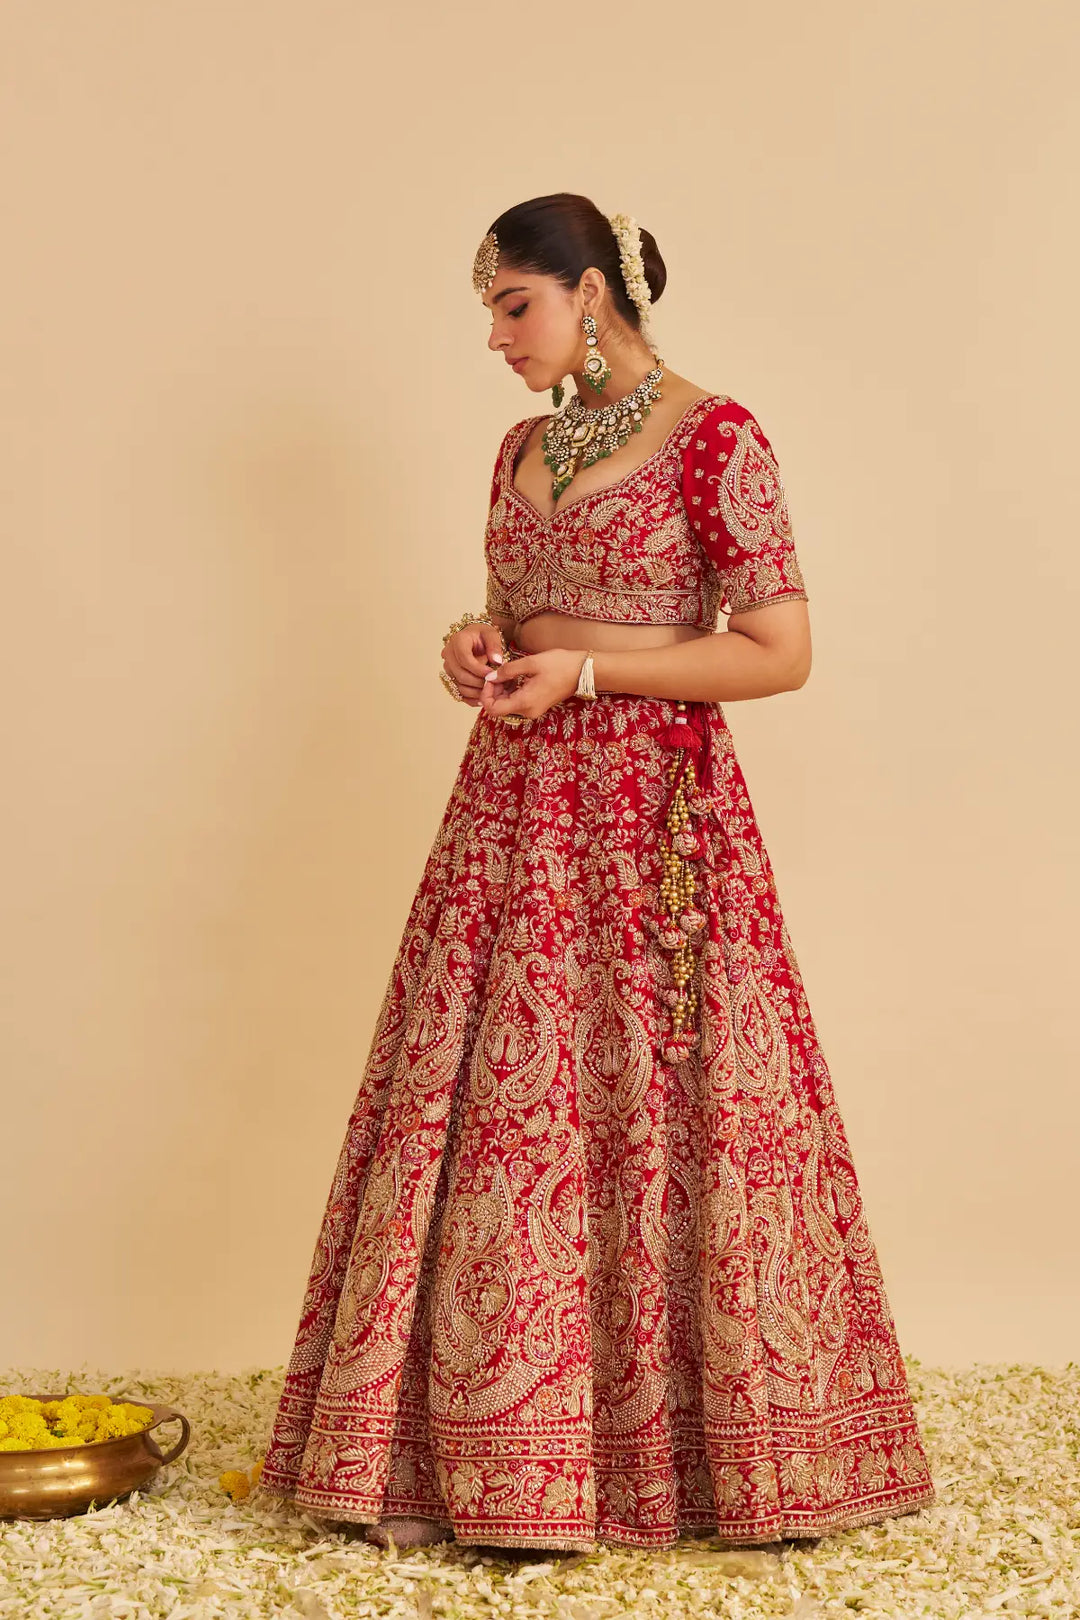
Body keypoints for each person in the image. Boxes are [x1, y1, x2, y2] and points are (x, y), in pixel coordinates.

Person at [257, 193, 936, 1555]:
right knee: (509, 1113)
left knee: (663, 1109)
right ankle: (495, 1455)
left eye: (515, 305)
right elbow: (516, 617)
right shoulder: (518, 448)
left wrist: (591, 670)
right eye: (491, 311)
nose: (497, 337)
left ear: (594, 294)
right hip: (512, 811)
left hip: (657, 823)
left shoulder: (718, 440)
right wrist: (477, 644)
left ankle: (712, 1460)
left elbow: (778, 650)